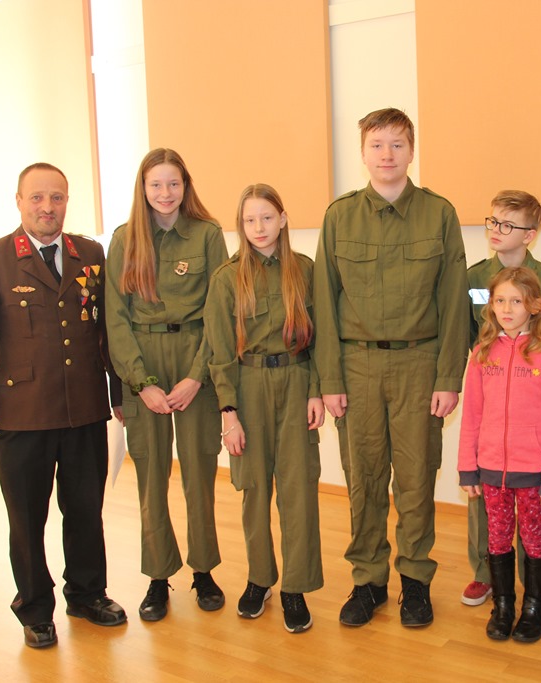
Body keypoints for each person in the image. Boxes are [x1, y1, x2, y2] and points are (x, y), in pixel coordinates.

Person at [0, 162, 126, 649]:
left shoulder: (89, 254)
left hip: (84, 409)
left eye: (57, 198)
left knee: (86, 510)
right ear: (19, 201)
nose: (47, 207)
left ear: (67, 202)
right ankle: (34, 609)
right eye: (37, 198)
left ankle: (87, 594)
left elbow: (106, 330)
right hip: (24, 413)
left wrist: (118, 394)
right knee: (28, 520)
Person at [314, 107, 470, 628]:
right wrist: (330, 380)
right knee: (363, 477)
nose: (387, 154)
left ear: (412, 150)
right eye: (377, 145)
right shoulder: (340, 217)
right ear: (363, 152)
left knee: (416, 478)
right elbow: (324, 303)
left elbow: (454, 303)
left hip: (419, 364)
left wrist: (449, 378)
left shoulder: (438, 214)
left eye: (397, 144)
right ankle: (368, 581)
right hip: (356, 365)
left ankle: (416, 582)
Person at [104, 148, 228, 621]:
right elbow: (116, 319)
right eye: (155, 184)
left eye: (173, 183)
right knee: (151, 477)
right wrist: (141, 383)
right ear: (143, 188)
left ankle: (204, 570)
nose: (165, 193)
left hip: (196, 357)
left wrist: (197, 376)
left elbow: (219, 312)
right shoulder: (125, 239)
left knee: (199, 472)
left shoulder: (208, 234)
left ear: (185, 185)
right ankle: (158, 576)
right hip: (144, 358)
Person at [205, 184, 325, 633]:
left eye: (267, 217)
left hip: (296, 382)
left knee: (298, 489)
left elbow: (321, 338)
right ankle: (260, 578)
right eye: (250, 220)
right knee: (254, 489)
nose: (259, 227)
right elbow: (219, 351)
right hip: (248, 385)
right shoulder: (226, 279)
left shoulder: (305, 271)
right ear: (241, 225)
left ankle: (295, 586)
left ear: (283, 219)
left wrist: (316, 391)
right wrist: (229, 413)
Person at [462, 190, 541, 607]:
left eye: (507, 224)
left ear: (530, 234)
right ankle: (485, 573)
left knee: (537, 504)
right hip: (490, 392)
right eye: (492, 221)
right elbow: (465, 334)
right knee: (487, 501)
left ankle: (537, 580)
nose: (496, 230)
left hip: (531, 399)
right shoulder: (474, 278)